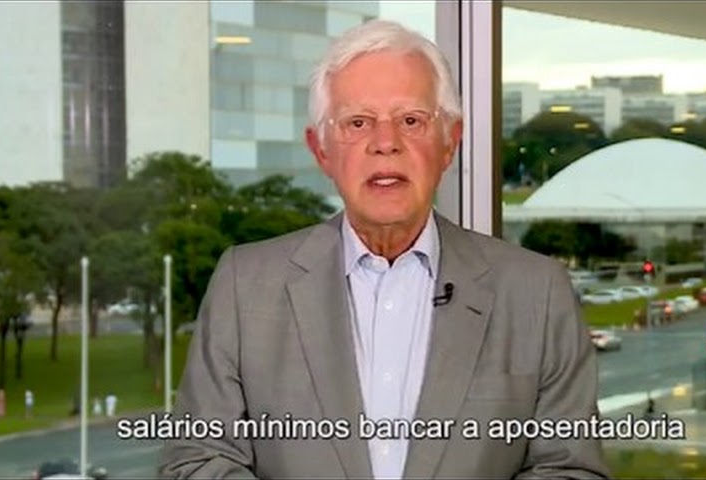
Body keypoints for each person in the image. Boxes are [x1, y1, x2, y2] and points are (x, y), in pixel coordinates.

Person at [158, 19, 609, 479]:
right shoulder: (245, 286)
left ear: (450, 142)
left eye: (411, 121)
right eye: (358, 123)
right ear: (321, 150)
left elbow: (570, 469)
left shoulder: (537, 293)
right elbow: (197, 460)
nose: (386, 144)